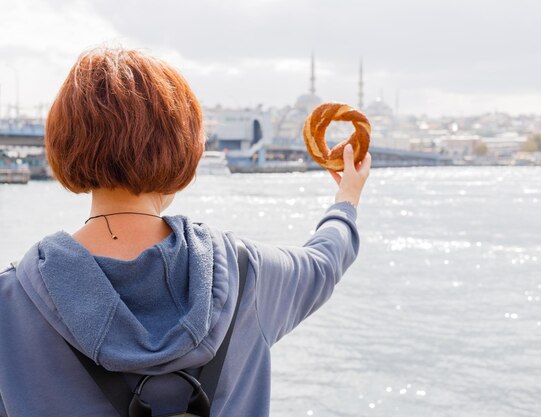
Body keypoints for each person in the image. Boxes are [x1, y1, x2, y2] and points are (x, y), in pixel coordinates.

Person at [0, 47, 371, 417]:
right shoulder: (247, 274)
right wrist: (346, 200)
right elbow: (325, 261)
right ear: (184, 146)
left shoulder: (11, 302)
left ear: (64, 143)